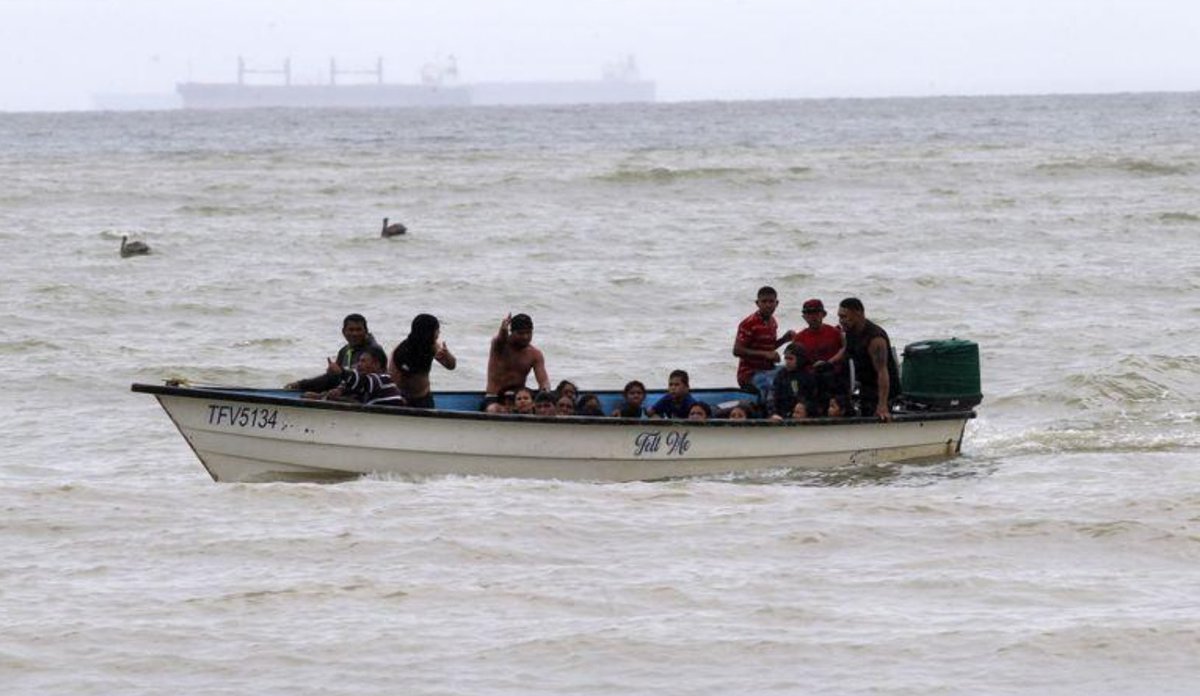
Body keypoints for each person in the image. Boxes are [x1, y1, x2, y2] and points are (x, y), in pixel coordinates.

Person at [837, 297, 901, 422]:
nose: (841, 321)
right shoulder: (850, 331)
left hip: (883, 389)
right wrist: (828, 363)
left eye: (844, 317)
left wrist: (882, 405)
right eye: (839, 317)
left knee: (875, 413)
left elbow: (882, 372)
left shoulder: (875, 339)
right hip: (865, 385)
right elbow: (846, 350)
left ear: (858, 314)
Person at [285, 313, 383, 392]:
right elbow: (333, 379)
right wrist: (301, 385)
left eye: (358, 330)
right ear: (343, 332)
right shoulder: (344, 351)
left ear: (366, 331)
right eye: (351, 330)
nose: (355, 334)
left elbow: (365, 381)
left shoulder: (374, 351)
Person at [733, 286, 795, 399]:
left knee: (792, 372)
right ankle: (769, 413)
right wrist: (765, 354)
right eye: (764, 301)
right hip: (750, 373)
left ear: (777, 303)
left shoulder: (773, 322)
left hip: (768, 369)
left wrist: (784, 340)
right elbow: (737, 350)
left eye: (771, 301)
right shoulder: (749, 323)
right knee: (768, 384)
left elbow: (769, 348)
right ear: (757, 303)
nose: (768, 305)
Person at [303, 346, 405, 408]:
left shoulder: (383, 379)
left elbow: (361, 382)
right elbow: (351, 390)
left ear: (376, 364)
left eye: (363, 361)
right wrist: (324, 396)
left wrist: (341, 372)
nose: (358, 365)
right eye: (359, 361)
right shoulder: (366, 384)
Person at [390, 313, 456, 409]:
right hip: (402, 400)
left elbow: (451, 366)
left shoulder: (432, 346)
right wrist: (397, 398)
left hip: (424, 398)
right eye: (437, 330)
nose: (439, 333)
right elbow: (391, 378)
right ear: (428, 332)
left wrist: (447, 355)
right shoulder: (402, 351)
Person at [485, 312, 551, 398]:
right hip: (494, 397)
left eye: (529, 333)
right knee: (493, 409)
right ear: (512, 332)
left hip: (518, 399)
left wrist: (545, 392)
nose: (525, 337)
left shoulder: (535, 354)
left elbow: (543, 381)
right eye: (521, 333)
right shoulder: (500, 347)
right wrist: (503, 330)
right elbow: (500, 339)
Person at [769, 343, 820, 421]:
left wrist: (805, 407)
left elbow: (815, 398)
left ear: (800, 359)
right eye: (786, 358)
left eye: (791, 359)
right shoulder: (781, 375)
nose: (787, 361)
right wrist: (773, 413)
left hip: (804, 417)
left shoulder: (809, 376)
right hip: (782, 416)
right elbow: (772, 395)